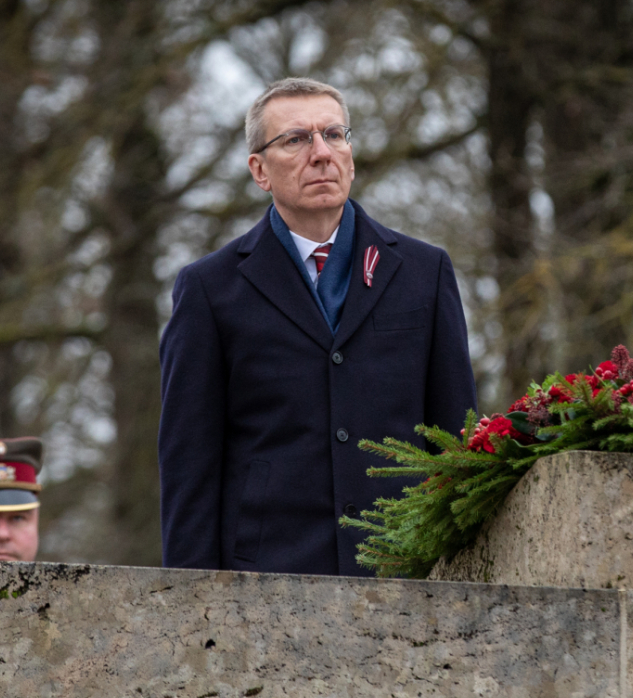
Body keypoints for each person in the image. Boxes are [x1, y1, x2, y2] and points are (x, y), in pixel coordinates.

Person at [158, 77, 477, 576]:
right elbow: (189, 464)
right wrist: (189, 602)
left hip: (403, 570)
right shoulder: (209, 289)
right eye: (296, 139)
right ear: (259, 170)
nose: (322, 152)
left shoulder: (424, 272)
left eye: (334, 134)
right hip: (264, 578)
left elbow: (455, 441)